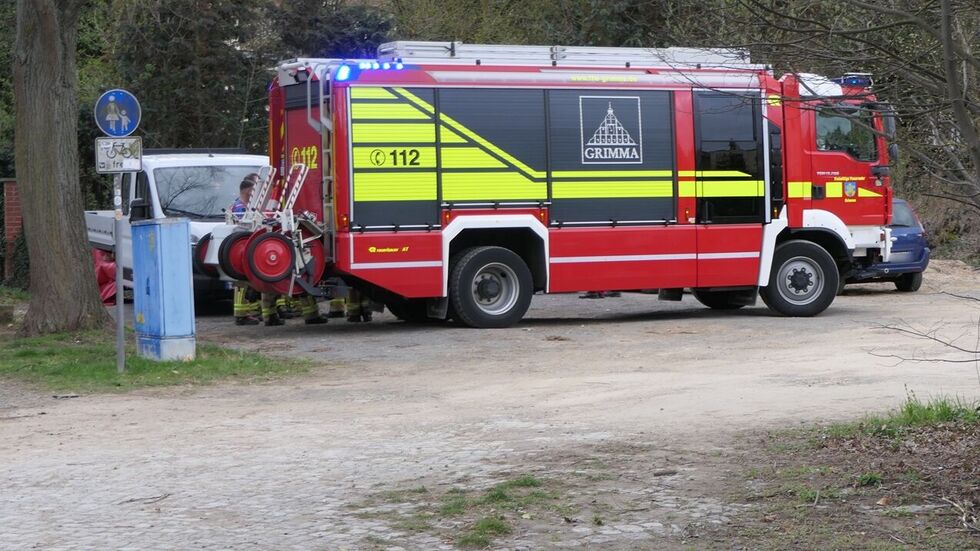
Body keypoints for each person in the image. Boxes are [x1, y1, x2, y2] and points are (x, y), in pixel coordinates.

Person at [231, 174, 262, 325]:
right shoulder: (240, 208)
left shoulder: (242, 206)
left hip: (243, 246)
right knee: (242, 282)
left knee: (245, 282)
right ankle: (242, 314)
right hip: (242, 247)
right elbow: (247, 227)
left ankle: (244, 313)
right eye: (253, 191)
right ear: (248, 191)